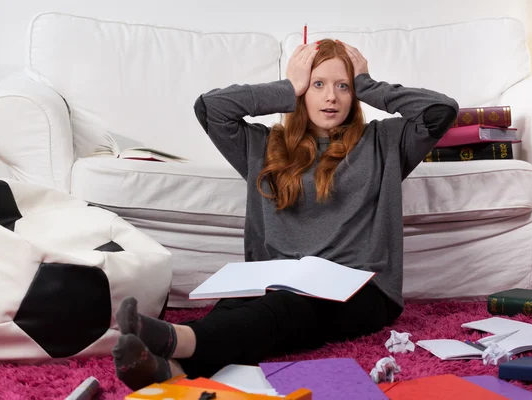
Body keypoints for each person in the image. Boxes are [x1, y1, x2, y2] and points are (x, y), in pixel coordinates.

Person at [112, 39, 459, 390]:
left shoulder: (384, 141)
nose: (331, 97)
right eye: (318, 84)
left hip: (361, 288)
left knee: (283, 309)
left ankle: (176, 339)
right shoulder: (263, 146)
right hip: (277, 277)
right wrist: (287, 87)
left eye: (344, 86)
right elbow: (211, 108)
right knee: (235, 309)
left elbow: (440, 110)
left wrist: (368, 83)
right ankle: (170, 371)